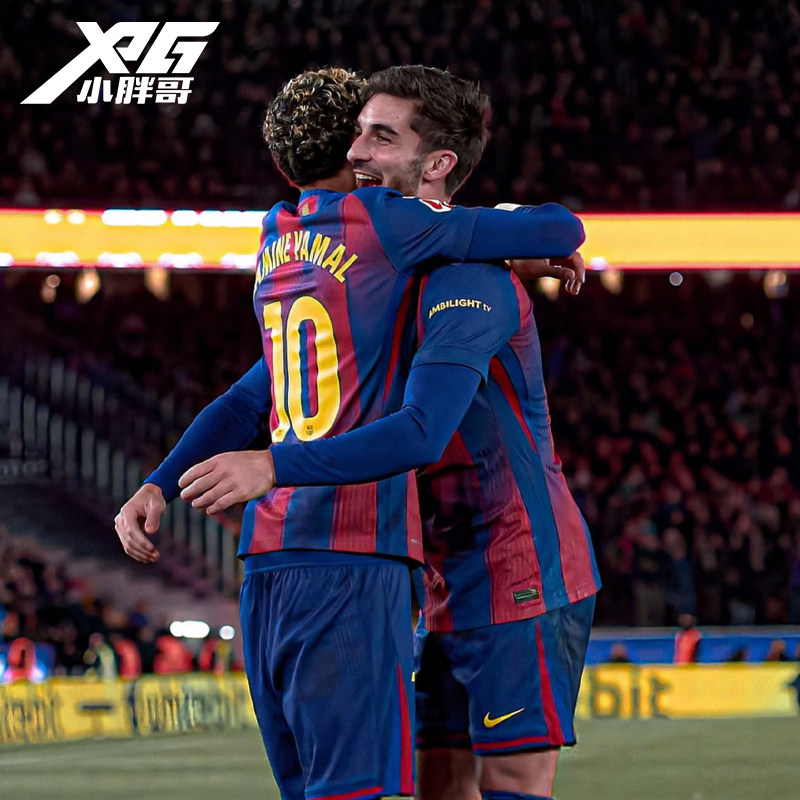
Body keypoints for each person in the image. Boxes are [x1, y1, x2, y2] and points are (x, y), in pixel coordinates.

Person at [116, 66, 585, 800]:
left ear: (437, 164)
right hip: (426, 562)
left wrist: (273, 465)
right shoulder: (381, 267)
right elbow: (256, 391)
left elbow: (422, 429)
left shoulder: (468, 278)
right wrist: (160, 480)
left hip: (511, 560)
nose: (357, 151)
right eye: (356, 134)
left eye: (380, 137)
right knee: (434, 783)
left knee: (509, 781)